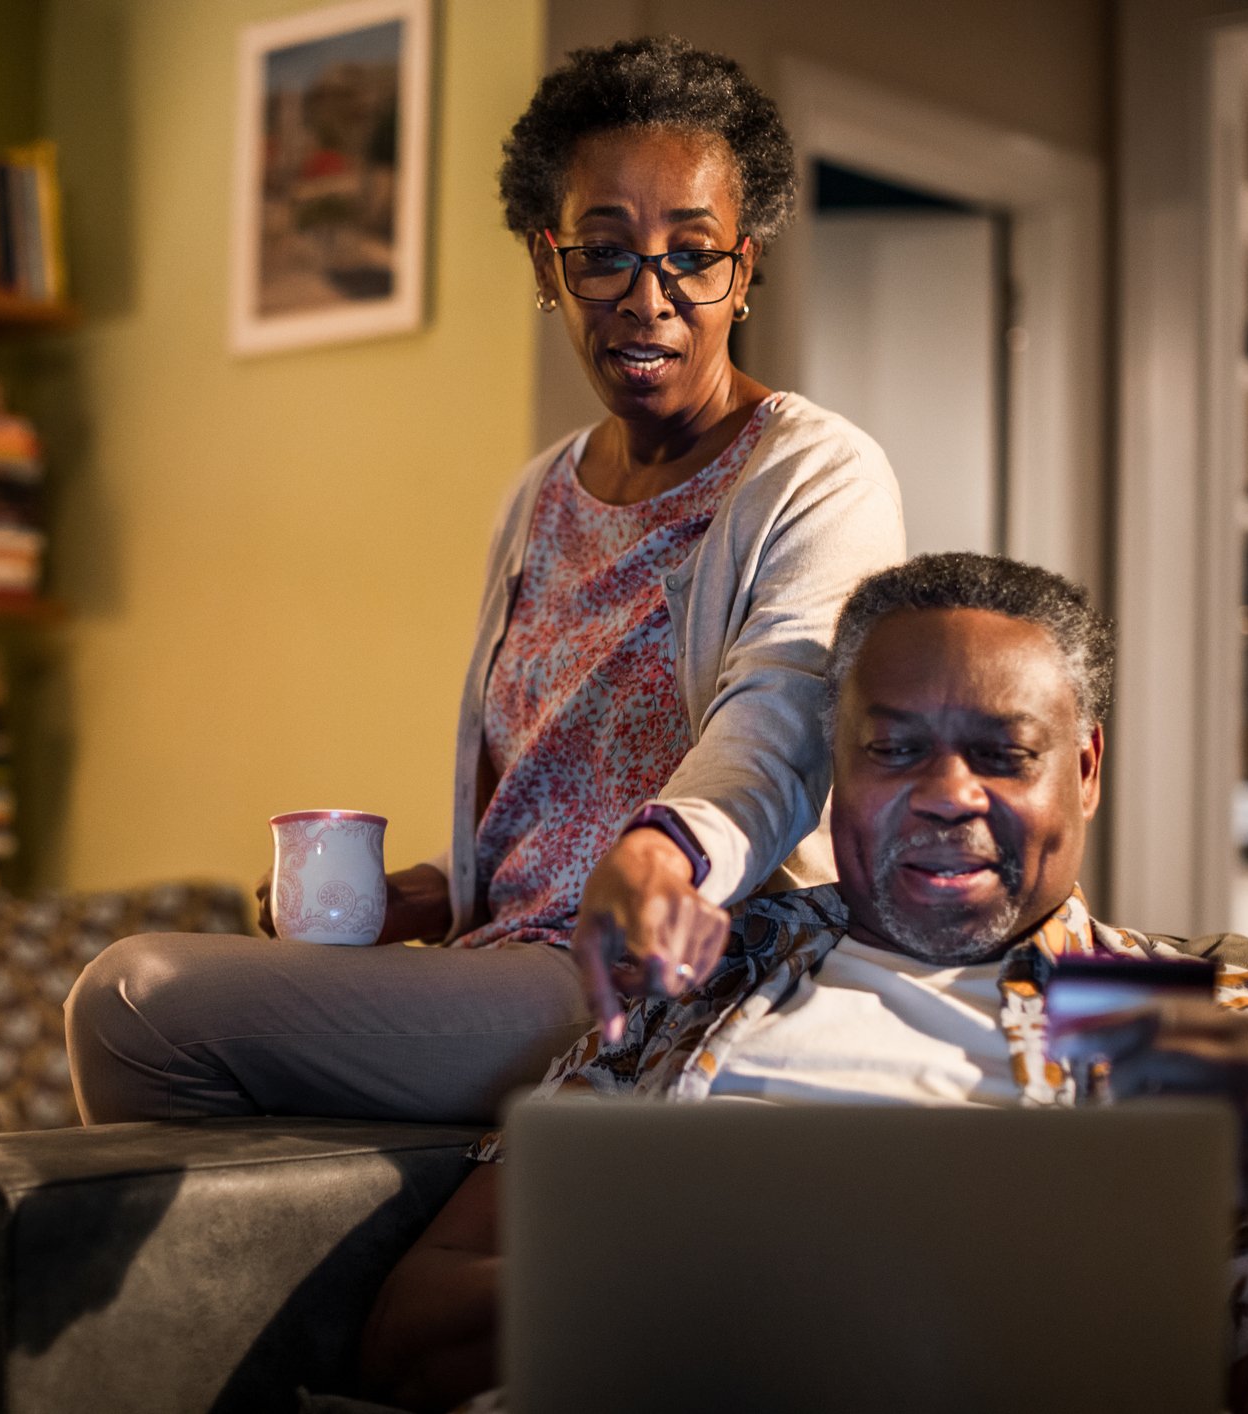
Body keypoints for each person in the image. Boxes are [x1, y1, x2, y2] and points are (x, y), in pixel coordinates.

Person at [359, 554, 1248, 1414]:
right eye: (894, 748)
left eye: (1004, 754)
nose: (945, 796)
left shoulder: (1203, 1022)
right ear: (839, 770)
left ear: (1088, 769)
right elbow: (409, 1337)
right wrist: (698, 1289)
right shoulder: (708, 976)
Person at [67, 37, 904, 1126]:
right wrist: (416, 898)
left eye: (690, 255)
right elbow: (540, 805)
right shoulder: (538, 499)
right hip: (502, 960)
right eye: (604, 253)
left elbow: (784, 716)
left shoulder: (815, 470)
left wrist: (665, 851)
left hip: (654, 976)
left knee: (137, 1000)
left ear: (742, 272)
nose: (649, 299)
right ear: (546, 264)